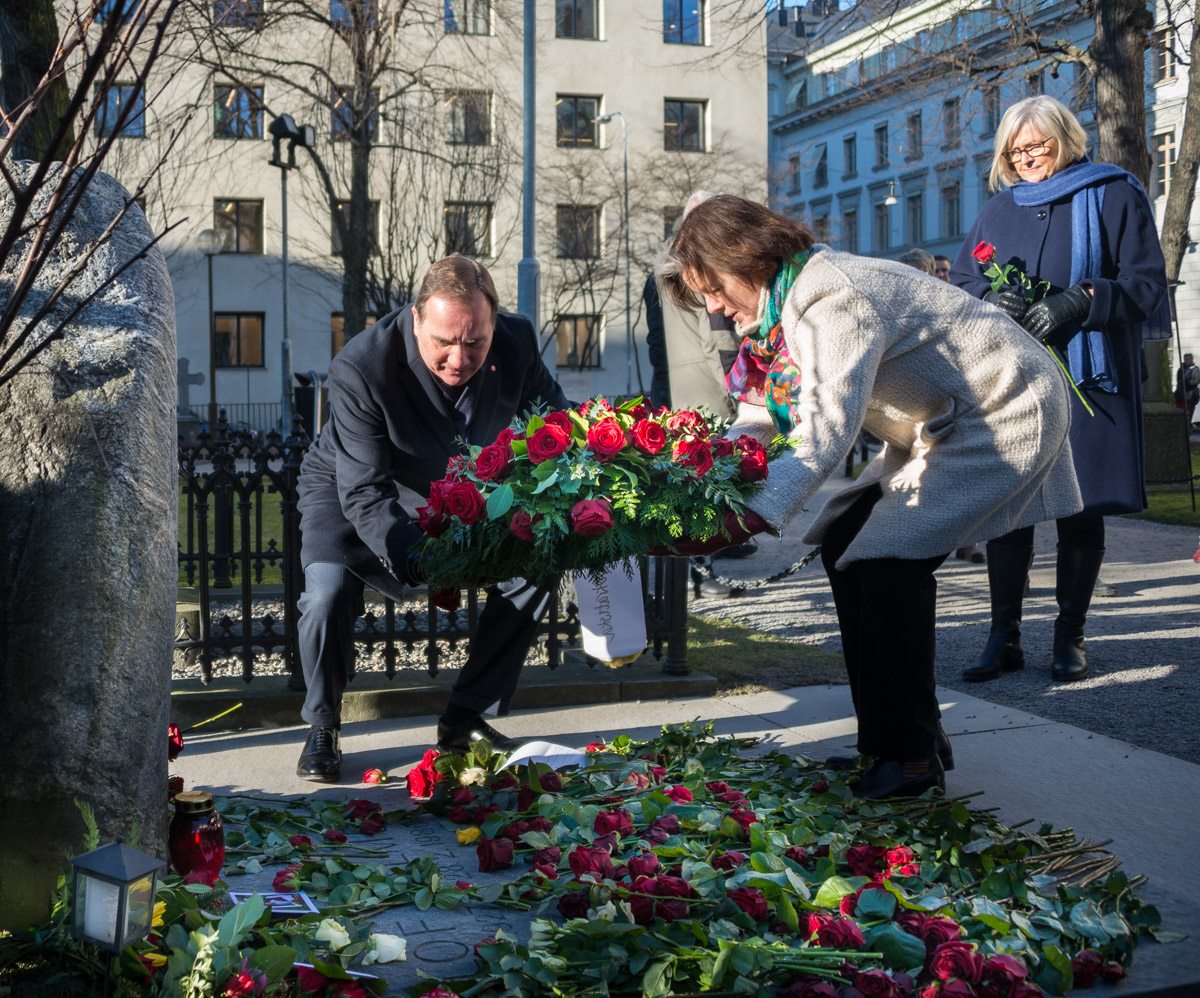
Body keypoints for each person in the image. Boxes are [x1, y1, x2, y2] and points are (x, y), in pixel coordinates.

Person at [661, 195, 1082, 798]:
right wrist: (707, 482)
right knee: (842, 540)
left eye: (715, 288)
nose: (714, 307)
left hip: (1004, 409)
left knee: (885, 560)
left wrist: (742, 521)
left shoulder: (830, 297)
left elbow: (822, 431)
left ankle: (908, 756)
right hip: (944, 423)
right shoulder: (780, 316)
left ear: (745, 257)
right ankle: (896, 739)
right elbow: (758, 416)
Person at [293, 255, 569, 781]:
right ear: (416, 317)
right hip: (350, 485)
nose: (458, 359)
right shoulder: (361, 366)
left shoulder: (517, 340)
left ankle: (465, 717)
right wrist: (419, 558)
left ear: (493, 326)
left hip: (455, 484)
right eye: (443, 341)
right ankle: (322, 724)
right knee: (327, 594)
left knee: (537, 567)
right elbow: (366, 491)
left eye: (474, 343)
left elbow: (554, 422)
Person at [951, 95, 1168, 683]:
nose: (1025, 159)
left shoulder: (1114, 192)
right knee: (1009, 509)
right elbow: (964, 282)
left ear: (1065, 141)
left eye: (1035, 147)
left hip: (1088, 380)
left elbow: (1146, 285)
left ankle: (1070, 635)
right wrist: (989, 300)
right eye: (1014, 151)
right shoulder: (998, 209)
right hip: (1013, 382)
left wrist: (1083, 299)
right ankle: (1004, 637)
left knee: (1080, 507)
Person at [899, 249, 985, 565]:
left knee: (961, 472)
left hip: (954, 397)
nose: (942, 277)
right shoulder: (906, 307)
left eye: (944, 271)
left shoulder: (957, 304)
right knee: (919, 472)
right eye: (935, 271)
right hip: (920, 401)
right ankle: (922, 542)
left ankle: (967, 542)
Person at [1176, 352, 1199, 424]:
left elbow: (1196, 381)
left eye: (1189, 359)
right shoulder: (1181, 369)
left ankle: (1188, 426)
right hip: (1181, 393)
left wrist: (1187, 382)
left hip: (1191, 394)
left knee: (1190, 411)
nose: (1187, 361)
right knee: (1181, 411)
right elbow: (1179, 380)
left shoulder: (1196, 369)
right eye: (1185, 359)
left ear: (1192, 359)